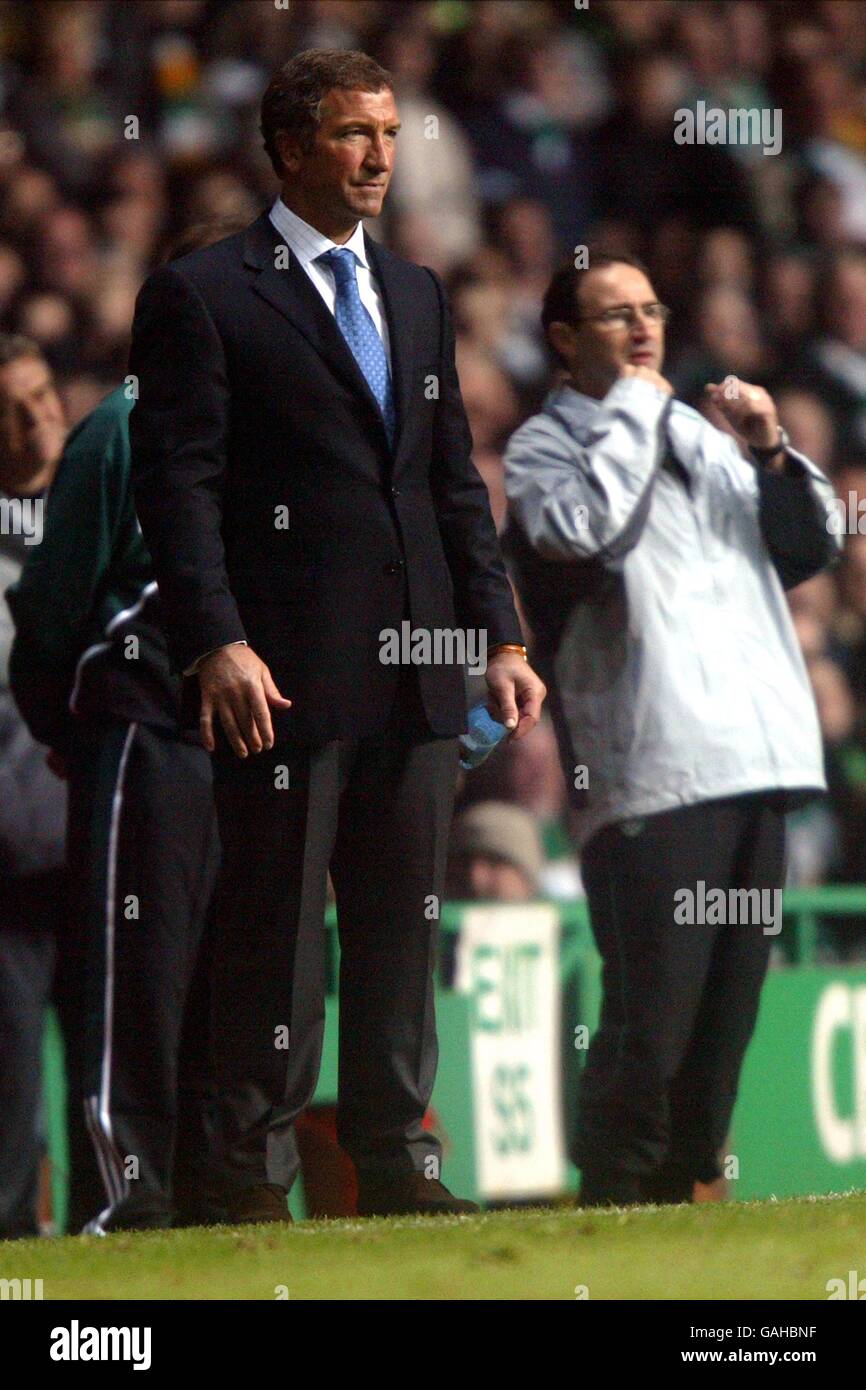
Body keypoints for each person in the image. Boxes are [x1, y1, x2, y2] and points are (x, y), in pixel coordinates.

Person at [128, 49, 545, 1223]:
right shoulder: (207, 291)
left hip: (416, 676)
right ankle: (247, 1172)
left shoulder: (411, 291)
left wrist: (501, 638)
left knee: (397, 930)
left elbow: (451, 481)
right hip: (284, 674)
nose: (379, 155)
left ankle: (394, 1160)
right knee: (272, 937)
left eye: (390, 132)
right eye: (356, 134)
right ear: (292, 147)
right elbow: (181, 487)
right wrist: (215, 639)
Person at [504, 252, 841, 1207]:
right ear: (566, 341)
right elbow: (590, 531)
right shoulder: (544, 450)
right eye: (615, 316)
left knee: (726, 1020)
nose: (643, 327)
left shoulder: (701, 433)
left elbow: (806, 549)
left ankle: (686, 1201)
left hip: (757, 756)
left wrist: (773, 451)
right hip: (653, 770)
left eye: (651, 308)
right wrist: (639, 411)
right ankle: (612, 1197)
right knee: (653, 1017)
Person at [4, 222, 246, 1232]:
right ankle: (111, 1216)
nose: (31, 424)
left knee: (191, 1003)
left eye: (37, 403)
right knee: (100, 1036)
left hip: (188, 772)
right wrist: (81, 723)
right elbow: (51, 626)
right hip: (61, 818)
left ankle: (196, 1199)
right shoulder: (128, 427)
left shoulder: (264, 428)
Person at [0, 333, 76, 1237]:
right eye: (13, 406)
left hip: (102, 861)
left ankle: (131, 1260)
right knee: (12, 1093)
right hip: (9, 873)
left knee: (115, 1083)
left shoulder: (101, 521)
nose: (38, 415)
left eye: (44, 393)